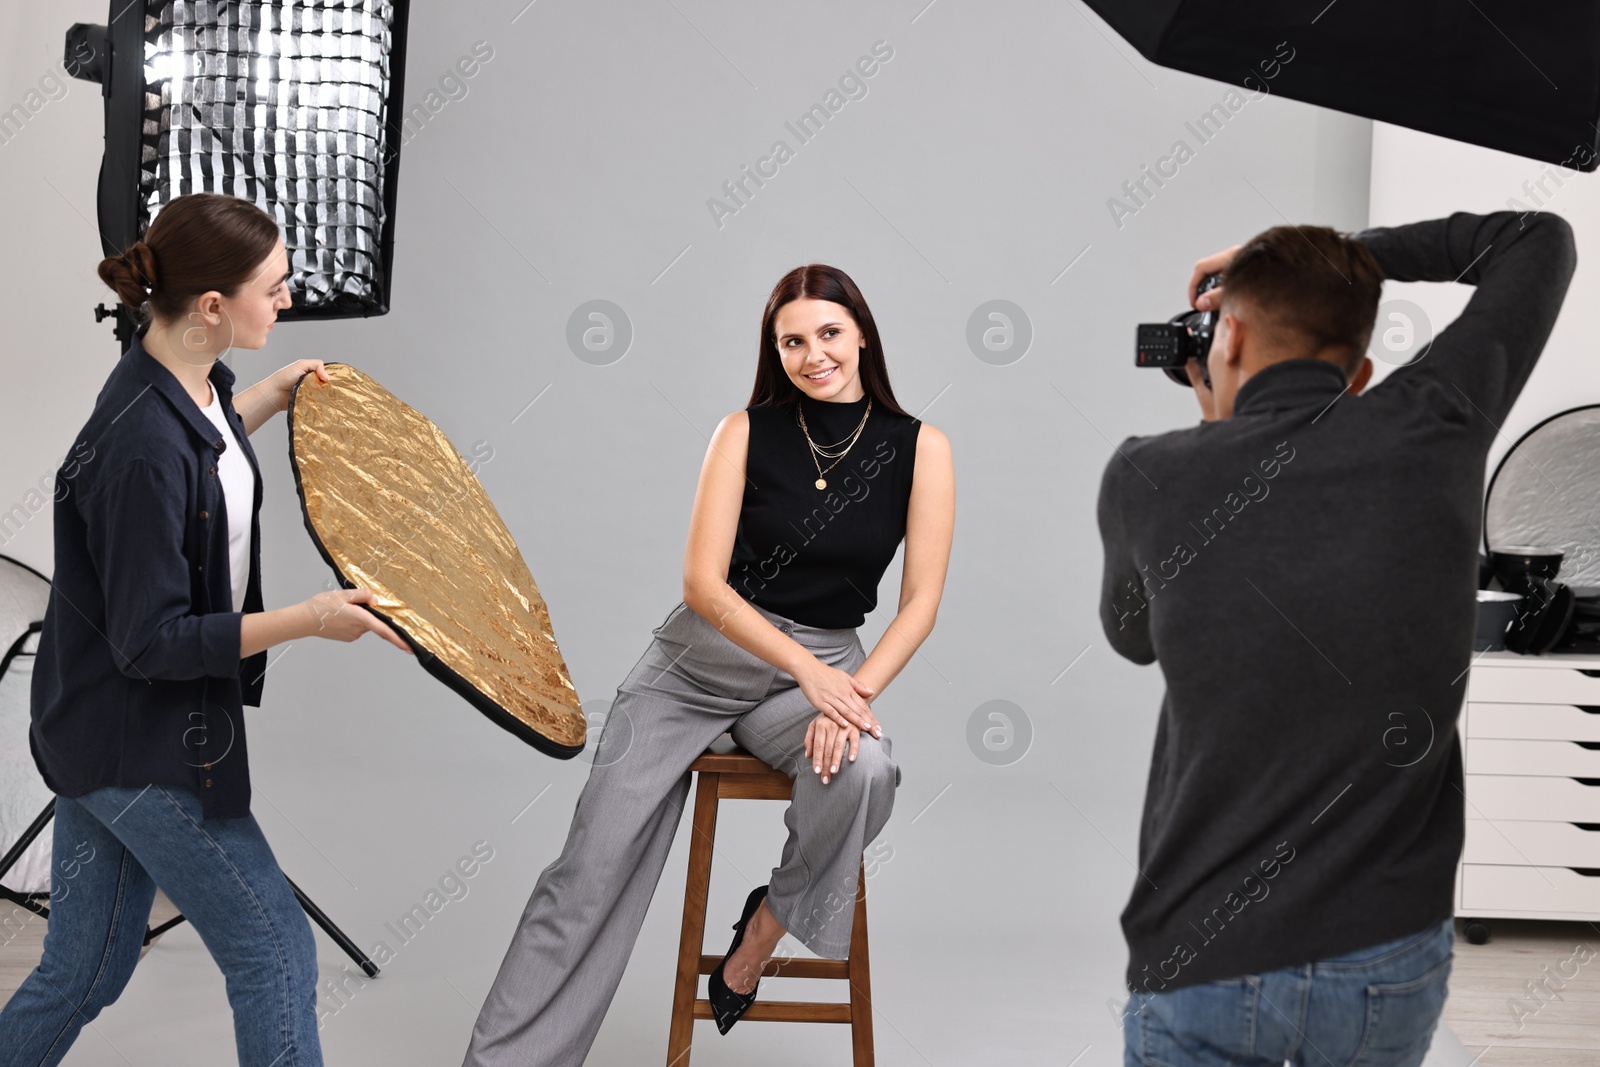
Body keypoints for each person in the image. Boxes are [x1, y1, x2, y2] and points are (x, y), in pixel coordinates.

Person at [1098, 210, 1576, 1067]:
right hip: (1382, 955)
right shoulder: (1437, 424)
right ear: (1359, 374)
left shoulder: (1148, 475)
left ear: (1226, 333)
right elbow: (1539, 239)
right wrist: (1356, 259)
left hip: (1200, 949)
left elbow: (1135, 637)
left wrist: (1217, 418)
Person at [461, 264, 955, 1066]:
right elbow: (701, 583)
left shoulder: (920, 448)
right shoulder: (743, 431)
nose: (812, 353)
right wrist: (811, 674)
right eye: (791, 340)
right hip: (695, 664)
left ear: (862, 332)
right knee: (586, 873)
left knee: (866, 771)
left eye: (828, 332)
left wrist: (846, 693)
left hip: (823, 670)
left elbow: (921, 601)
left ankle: (763, 929)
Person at [0, 192, 412, 1067]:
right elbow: (150, 643)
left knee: (86, 969)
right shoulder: (140, 445)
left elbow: (210, 451)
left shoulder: (183, 377)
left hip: (99, 731)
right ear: (214, 306)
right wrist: (310, 619)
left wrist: (278, 389)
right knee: (274, 950)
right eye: (276, 285)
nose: (290, 299)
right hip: (139, 747)